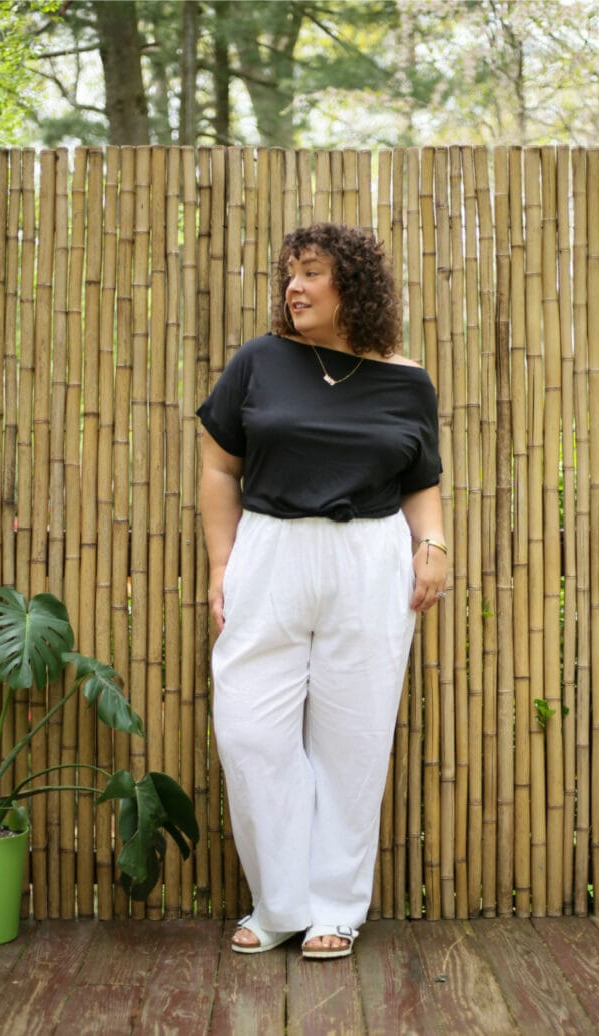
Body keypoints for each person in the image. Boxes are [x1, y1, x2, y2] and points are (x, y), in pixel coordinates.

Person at [197, 222, 447, 959]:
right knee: (248, 731)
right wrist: (221, 564)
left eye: (310, 273)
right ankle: (279, 904)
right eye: (289, 274)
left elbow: (421, 481)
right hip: (269, 551)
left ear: (353, 287)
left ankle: (335, 908)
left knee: (355, 740)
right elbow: (218, 470)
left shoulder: (407, 380)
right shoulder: (259, 362)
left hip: (369, 559)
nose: (293, 287)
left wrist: (432, 543)